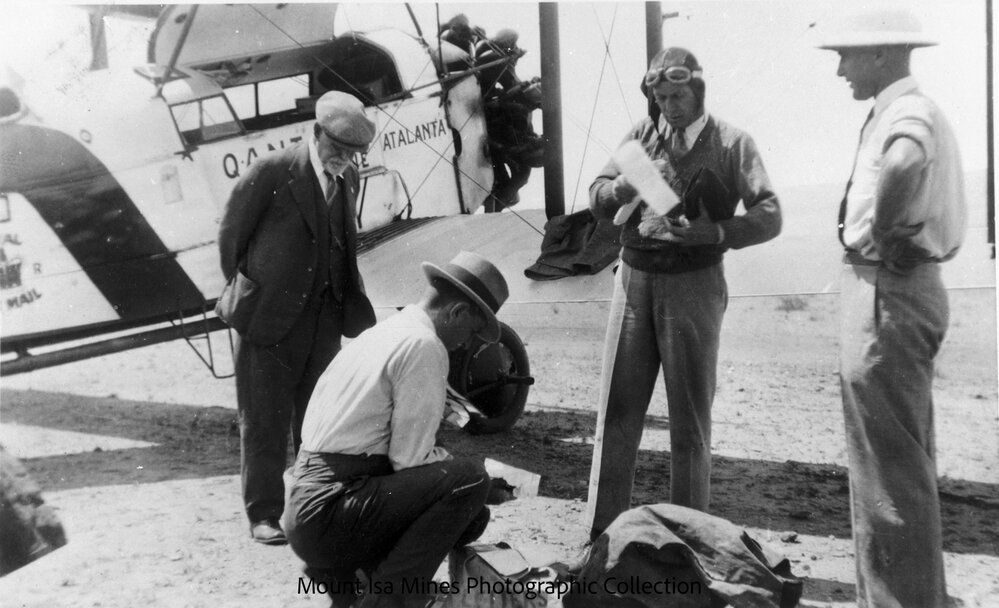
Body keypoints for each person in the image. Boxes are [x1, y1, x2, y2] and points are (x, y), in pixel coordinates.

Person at [585, 47, 781, 540]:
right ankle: (600, 544)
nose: (669, 106)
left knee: (689, 423)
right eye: (660, 96)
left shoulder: (733, 143)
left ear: (698, 90)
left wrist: (715, 233)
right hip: (632, 282)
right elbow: (596, 195)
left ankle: (689, 550)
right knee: (616, 415)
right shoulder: (640, 136)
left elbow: (770, 213)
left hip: (694, 286)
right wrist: (618, 191)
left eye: (677, 95)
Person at [816, 9, 966, 607]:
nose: (840, 70)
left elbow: (903, 163)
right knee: (898, 462)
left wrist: (882, 229)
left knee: (889, 471)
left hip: (888, 290)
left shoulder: (907, 113)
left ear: (881, 54)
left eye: (845, 56)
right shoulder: (902, 108)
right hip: (894, 288)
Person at [283, 251, 509, 608]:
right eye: (473, 331)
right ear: (458, 312)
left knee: (471, 515)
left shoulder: (386, 332)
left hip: (307, 506)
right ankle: (387, 601)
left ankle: (359, 577)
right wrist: (481, 481)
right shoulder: (424, 345)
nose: (469, 342)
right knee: (470, 481)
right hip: (331, 509)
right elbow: (409, 459)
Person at [215, 91, 377, 545]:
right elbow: (231, 239)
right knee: (263, 419)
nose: (344, 160)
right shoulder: (272, 170)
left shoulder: (347, 180)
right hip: (268, 321)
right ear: (317, 132)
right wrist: (254, 293)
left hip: (324, 320)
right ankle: (263, 514)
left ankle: (310, 508)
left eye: (353, 154)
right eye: (338, 149)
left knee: (317, 418)